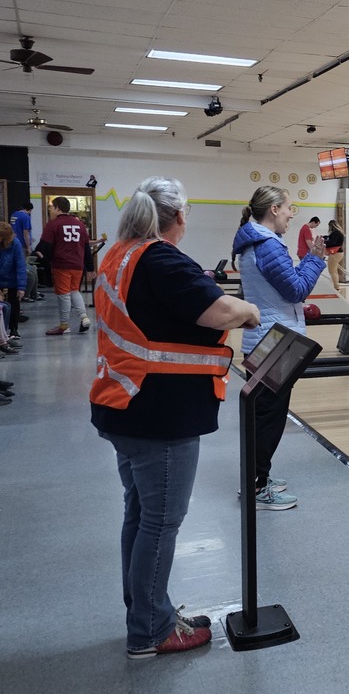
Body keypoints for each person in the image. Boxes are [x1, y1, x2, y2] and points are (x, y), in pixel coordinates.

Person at [89, 176, 260, 659]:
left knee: (141, 516)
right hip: (158, 413)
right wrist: (247, 310)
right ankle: (150, 631)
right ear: (179, 216)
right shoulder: (159, 258)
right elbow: (217, 310)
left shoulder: (119, 254)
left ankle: (147, 613)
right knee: (161, 522)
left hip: (124, 404)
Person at [232, 186, 325, 510]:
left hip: (267, 337)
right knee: (269, 417)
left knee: (264, 414)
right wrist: (315, 259)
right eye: (288, 208)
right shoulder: (267, 245)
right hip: (276, 341)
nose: (290, 214)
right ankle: (257, 486)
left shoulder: (254, 242)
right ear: (273, 209)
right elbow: (296, 291)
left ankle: (257, 476)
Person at [35, 196, 94, 335]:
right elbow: (86, 248)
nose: (50, 210)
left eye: (51, 207)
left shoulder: (53, 224)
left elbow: (45, 246)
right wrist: (90, 268)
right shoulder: (80, 225)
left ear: (57, 208)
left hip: (61, 264)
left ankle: (64, 325)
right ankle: (84, 317)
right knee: (74, 291)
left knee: (63, 295)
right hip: (78, 265)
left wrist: (39, 257)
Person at [0, 222, 27, 341]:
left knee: (14, 304)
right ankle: (3, 334)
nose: (10, 240)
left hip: (12, 280)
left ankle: (14, 330)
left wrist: (21, 287)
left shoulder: (15, 243)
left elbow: (20, 265)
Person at [325, 219, 346, 290]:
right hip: (340, 253)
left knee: (332, 270)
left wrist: (324, 242)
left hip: (335, 254)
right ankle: (336, 286)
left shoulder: (335, 233)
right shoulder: (340, 232)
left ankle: (336, 287)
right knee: (334, 270)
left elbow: (332, 242)